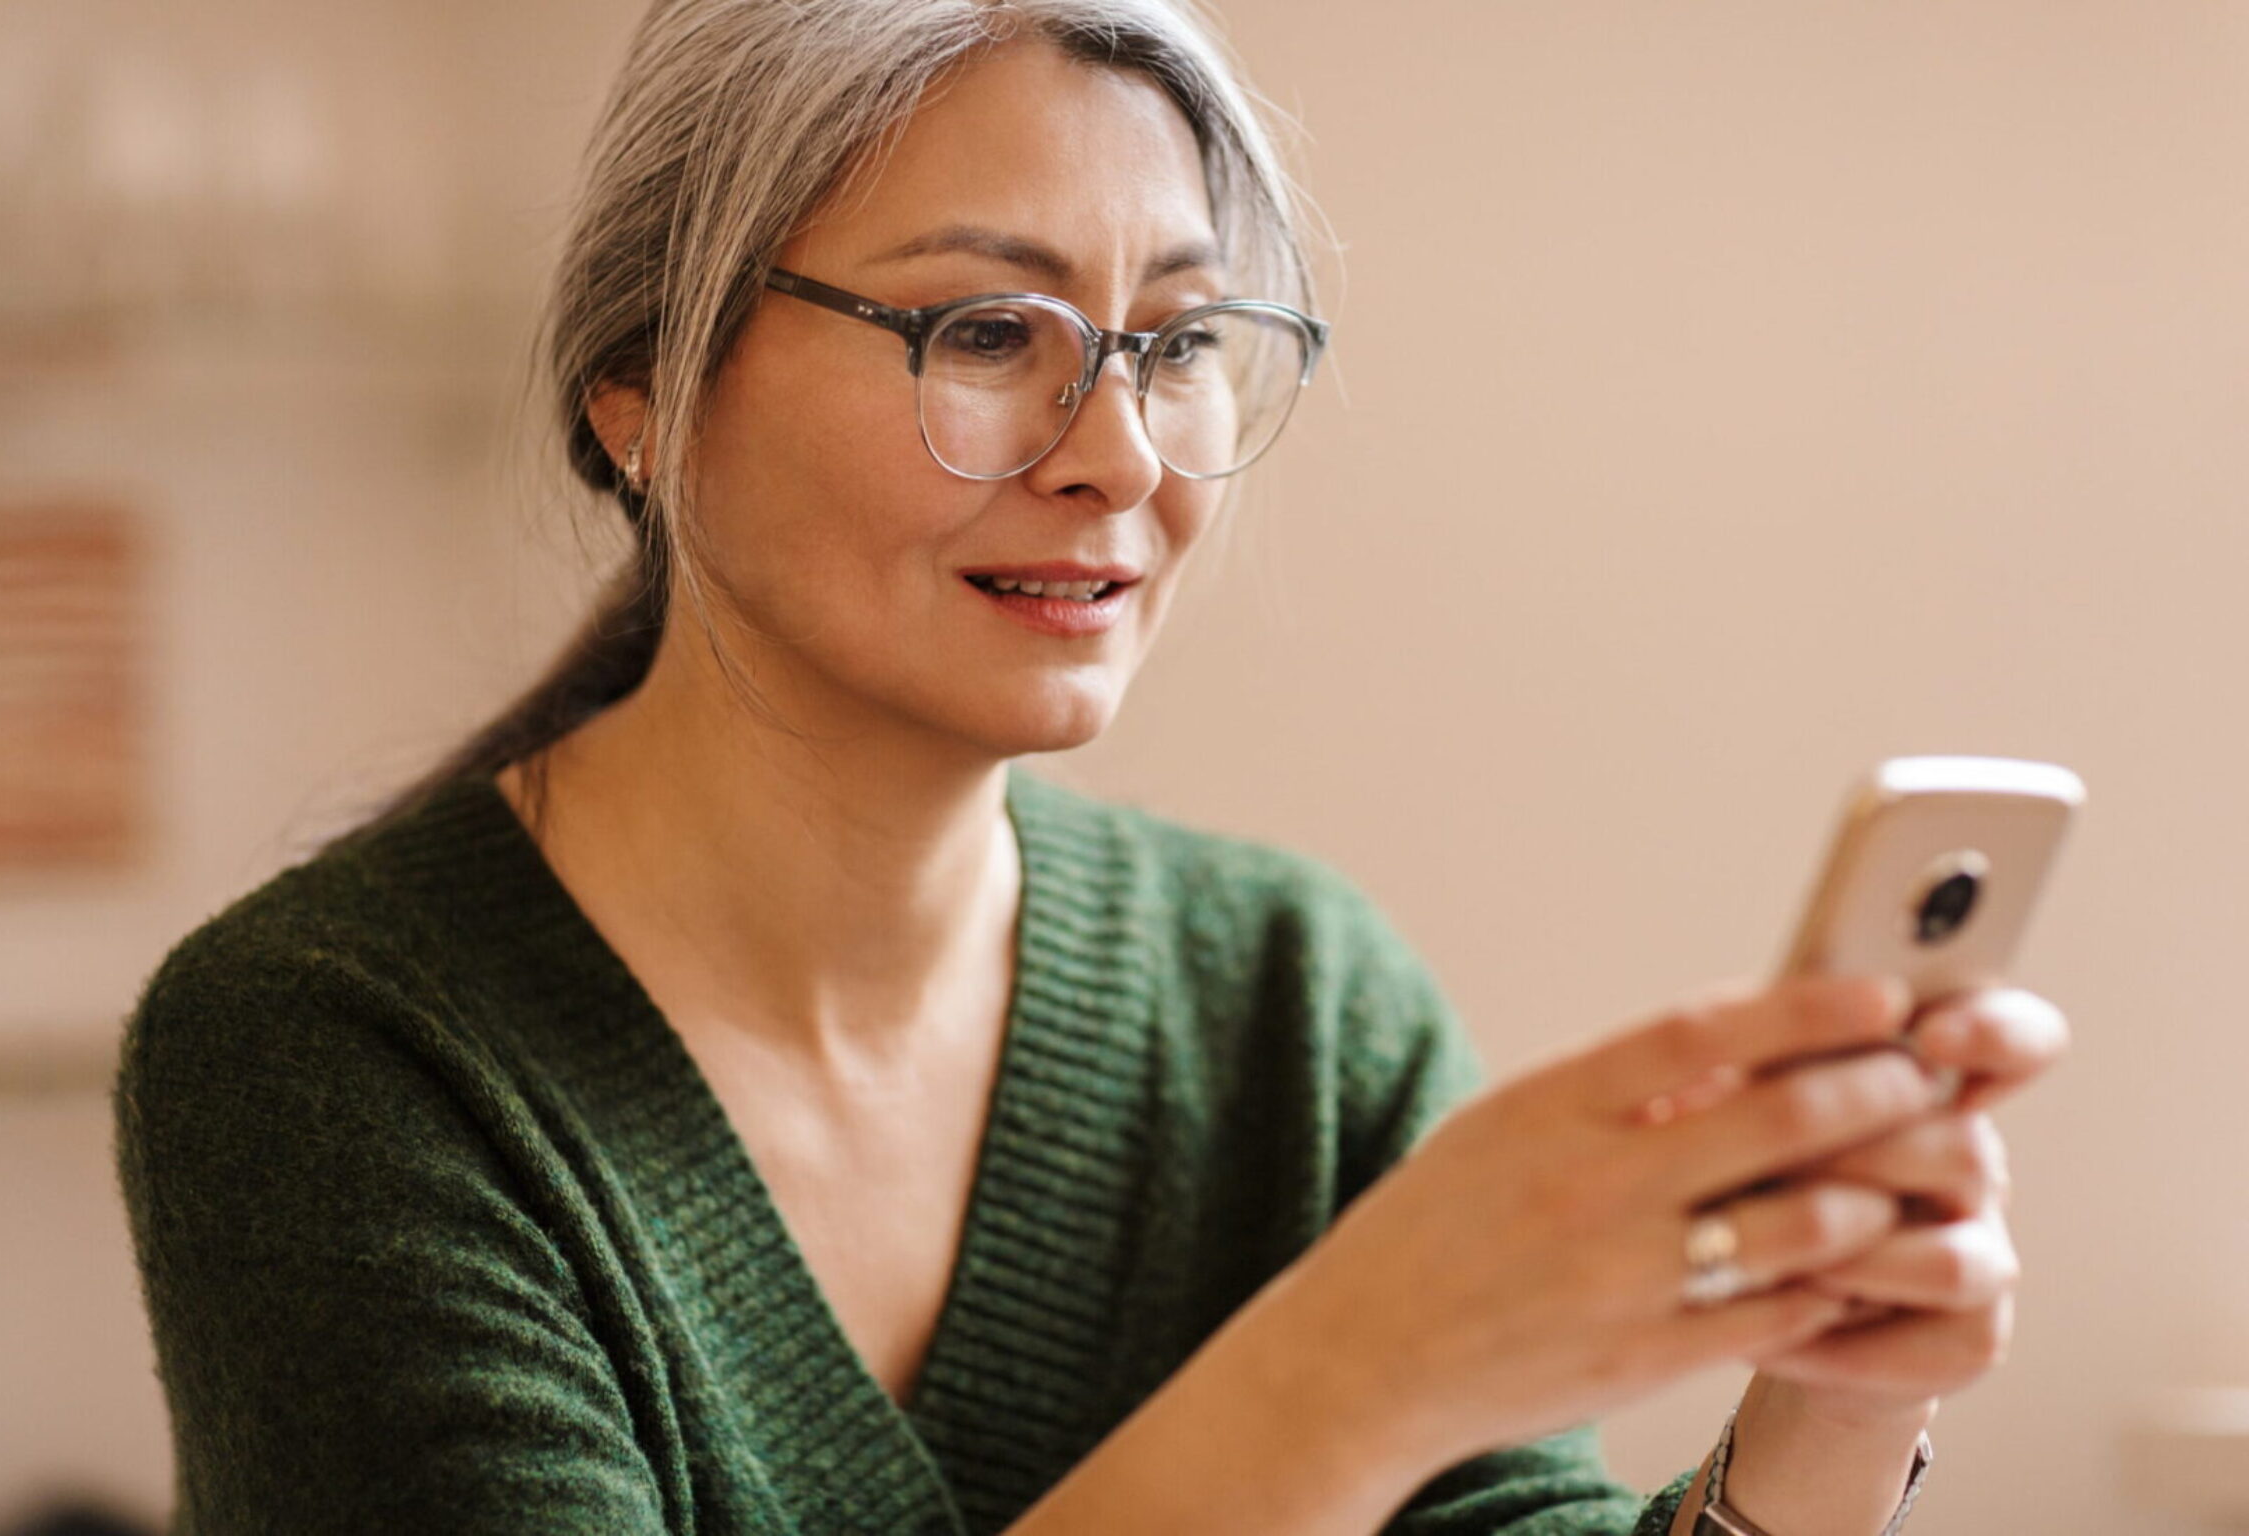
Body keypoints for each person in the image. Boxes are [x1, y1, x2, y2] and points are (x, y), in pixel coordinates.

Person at [112, 2, 2066, 1533]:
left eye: (1181, 341)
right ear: (648, 402)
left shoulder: (1293, 996)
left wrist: (1836, 1406)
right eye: (986, 329)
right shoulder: (328, 1054)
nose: (1118, 455)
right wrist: (1363, 1369)